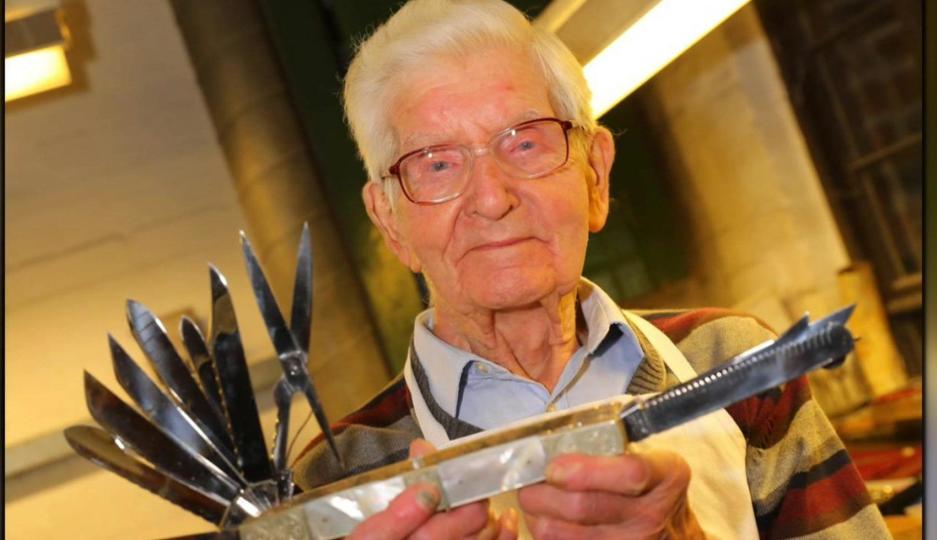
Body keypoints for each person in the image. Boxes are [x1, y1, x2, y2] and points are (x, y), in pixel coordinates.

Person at [293, 0, 890, 538]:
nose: (492, 197)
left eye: (525, 142)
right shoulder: (334, 479)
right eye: (436, 163)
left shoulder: (734, 361)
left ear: (595, 177)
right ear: (391, 221)